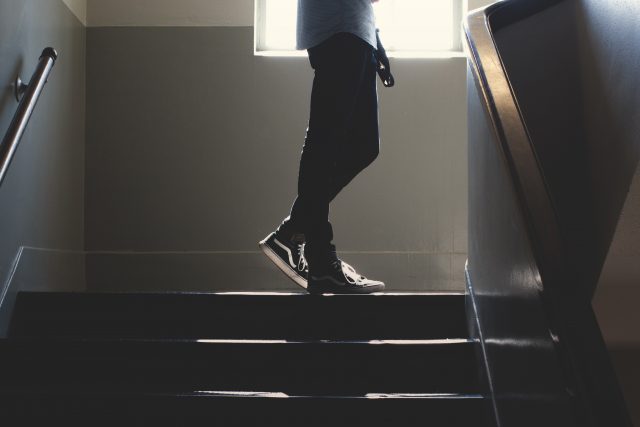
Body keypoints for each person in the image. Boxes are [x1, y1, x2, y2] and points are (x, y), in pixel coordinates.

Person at [259, 0, 394, 295]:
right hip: (339, 29)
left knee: (364, 146)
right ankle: (320, 260)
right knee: (325, 141)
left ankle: (293, 231)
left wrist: (373, 33)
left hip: (356, 29)